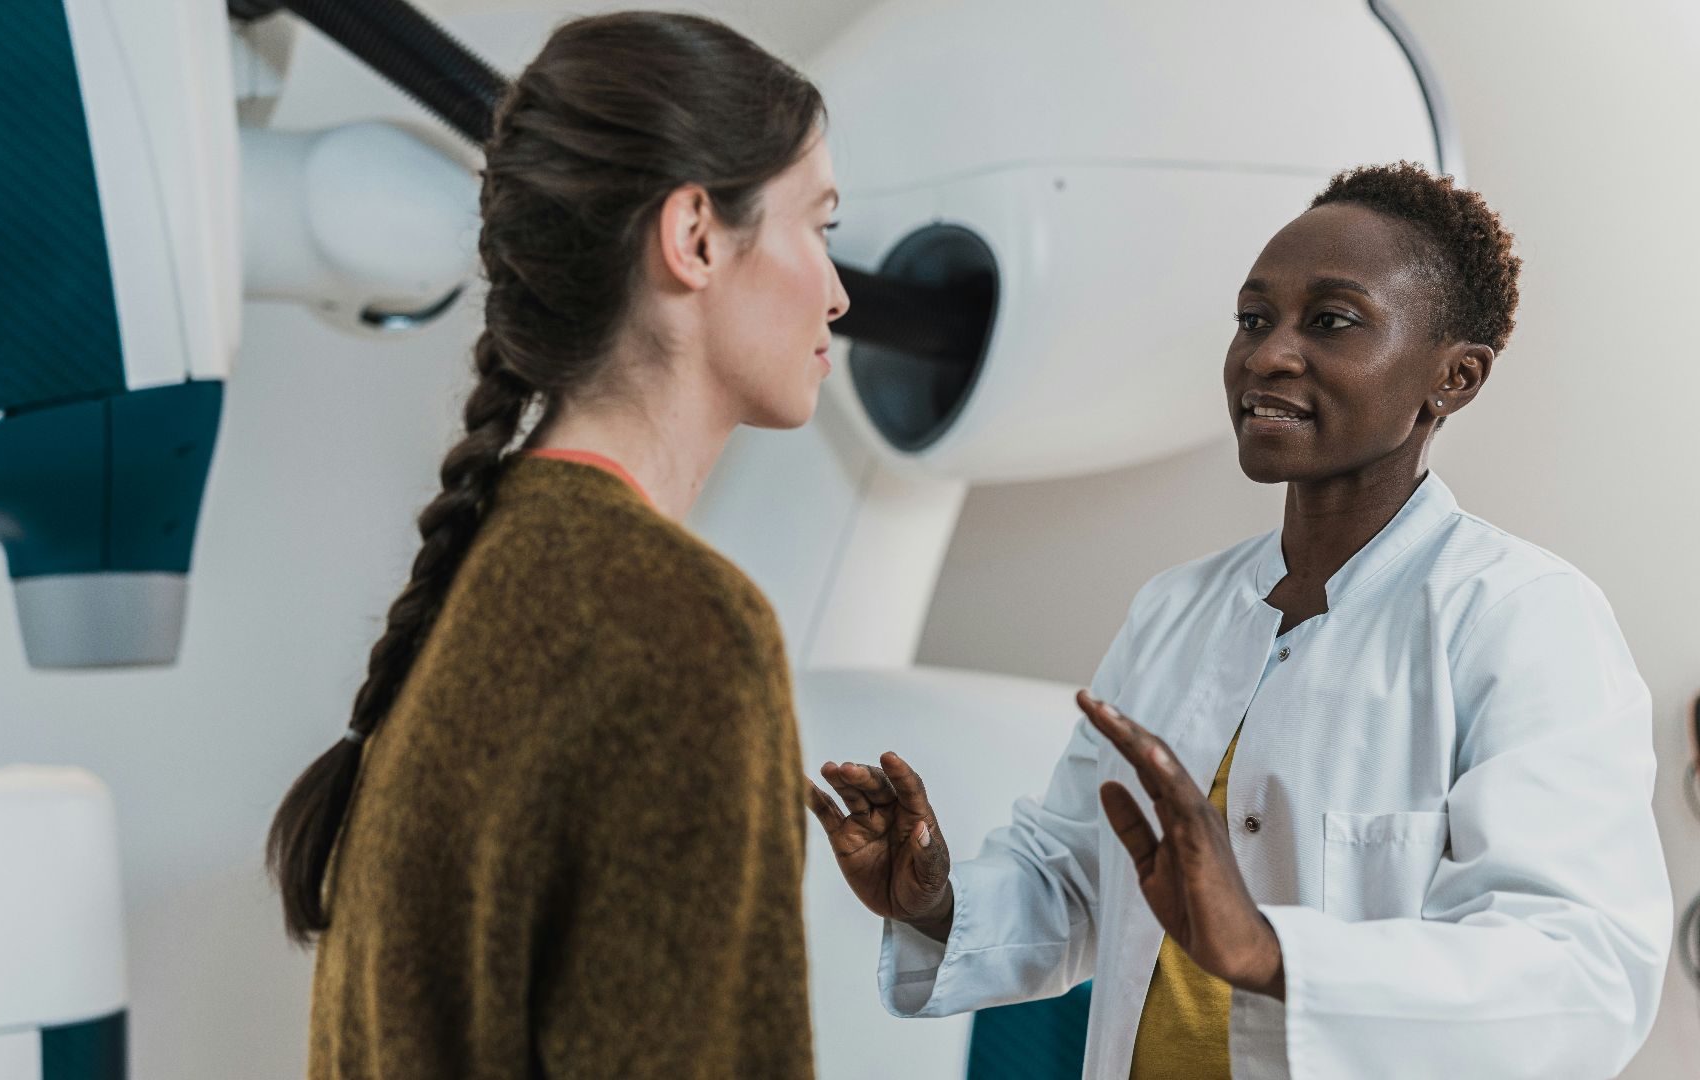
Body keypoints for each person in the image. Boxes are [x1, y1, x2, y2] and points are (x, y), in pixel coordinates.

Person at [807, 162, 1672, 1079]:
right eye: (1253, 320)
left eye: (1331, 321)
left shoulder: (1521, 618)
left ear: (1453, 378)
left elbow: (1582, 973)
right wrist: (936, 903)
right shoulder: (1176, 608)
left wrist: (1270, 952)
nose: (1267, 355)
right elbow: (1078, 878)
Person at [266, 12, 848, 1077]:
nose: (841, 294)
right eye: (821, 228)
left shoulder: (489, 572)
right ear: (697, 238)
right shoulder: (679, 626)